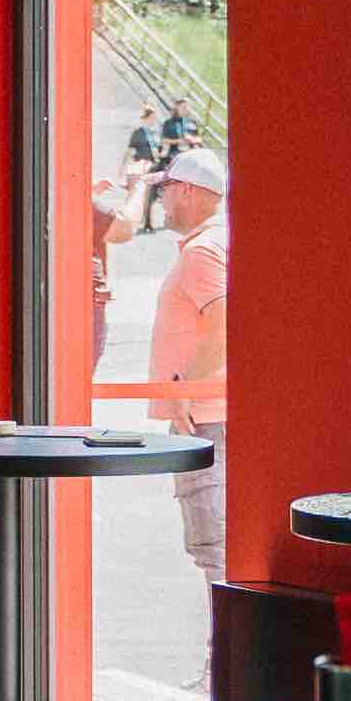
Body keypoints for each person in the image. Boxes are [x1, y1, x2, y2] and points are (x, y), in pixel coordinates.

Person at [140, 135, 233, 578]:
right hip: (210, 413)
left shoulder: (201, 253)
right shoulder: (217, 244)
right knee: (216, 546)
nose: (161, 200)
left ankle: (227, 627)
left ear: (187, 191)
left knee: (214, 546)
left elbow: (224, 320)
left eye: (165, 189)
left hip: (203, 417)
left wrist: (185, 389)